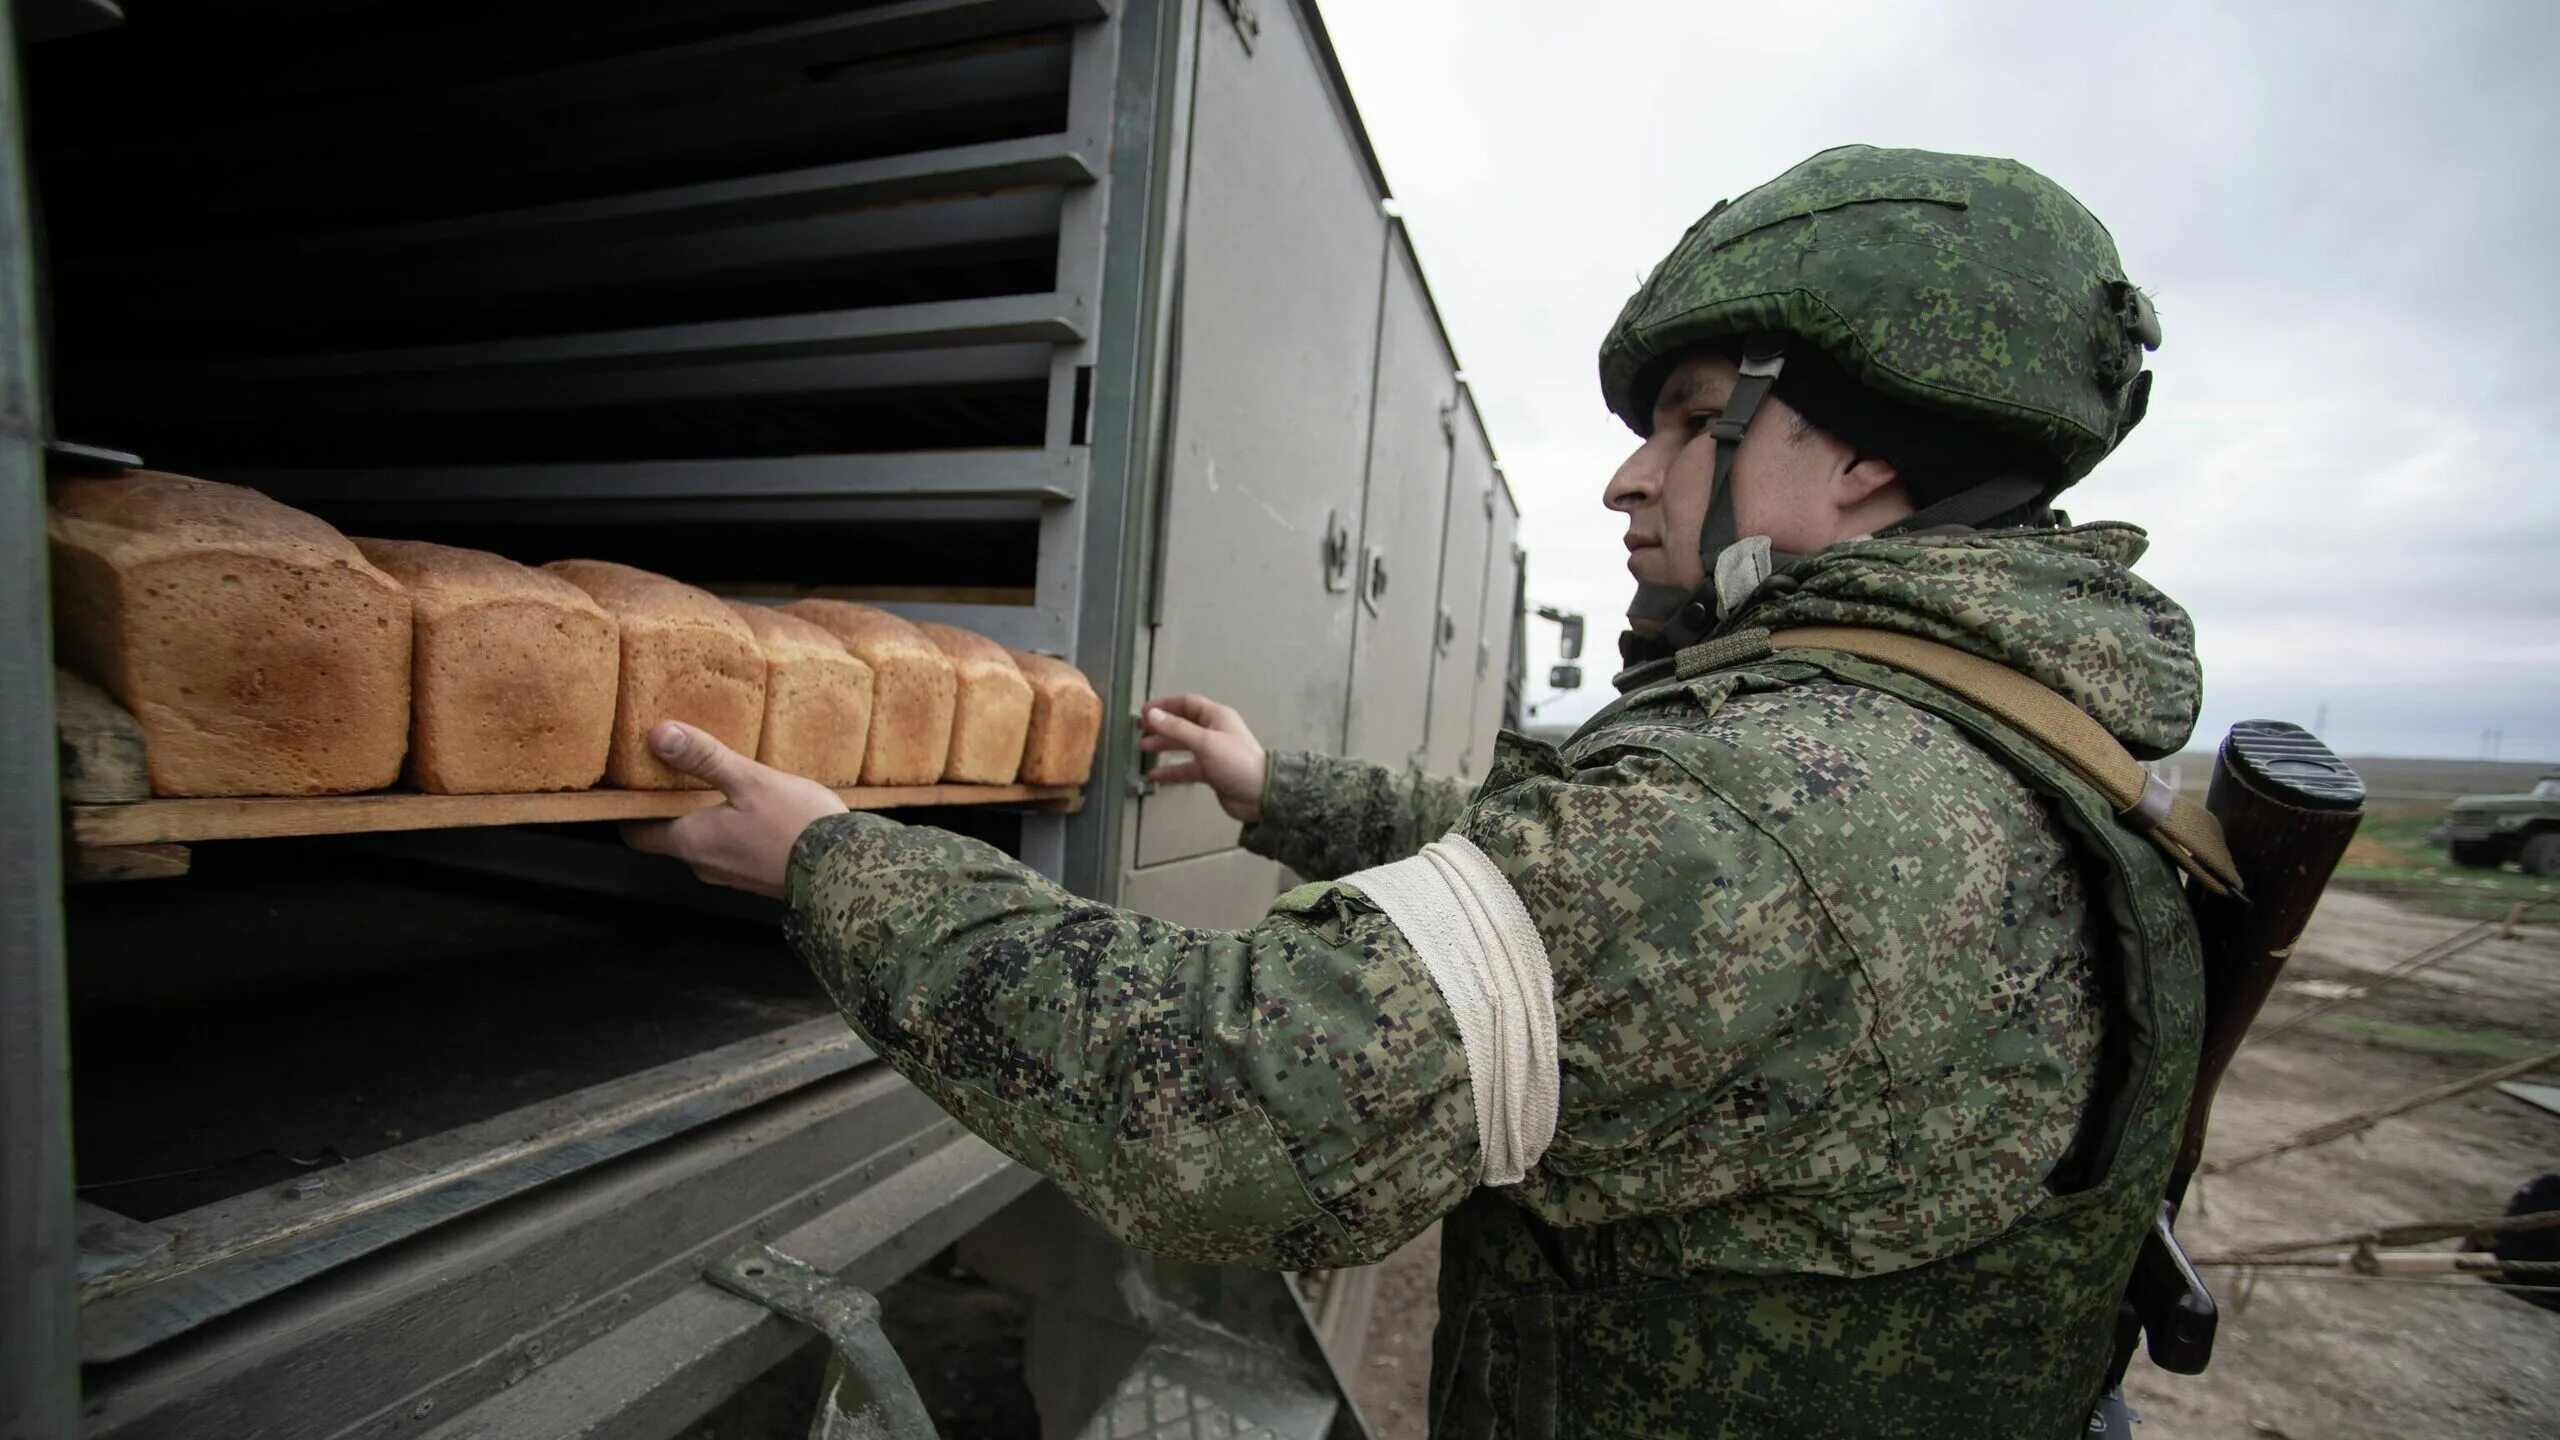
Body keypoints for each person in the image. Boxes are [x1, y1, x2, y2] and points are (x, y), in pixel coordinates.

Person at [626, 145, 2205, 1439]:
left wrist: (833, 861)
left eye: (1685, 416)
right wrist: (1274, 788)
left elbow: (1226, 1105)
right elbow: (1574, 900)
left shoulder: (1770, 812)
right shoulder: (1974, 742)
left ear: (1863, 452)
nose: (1630, 476)